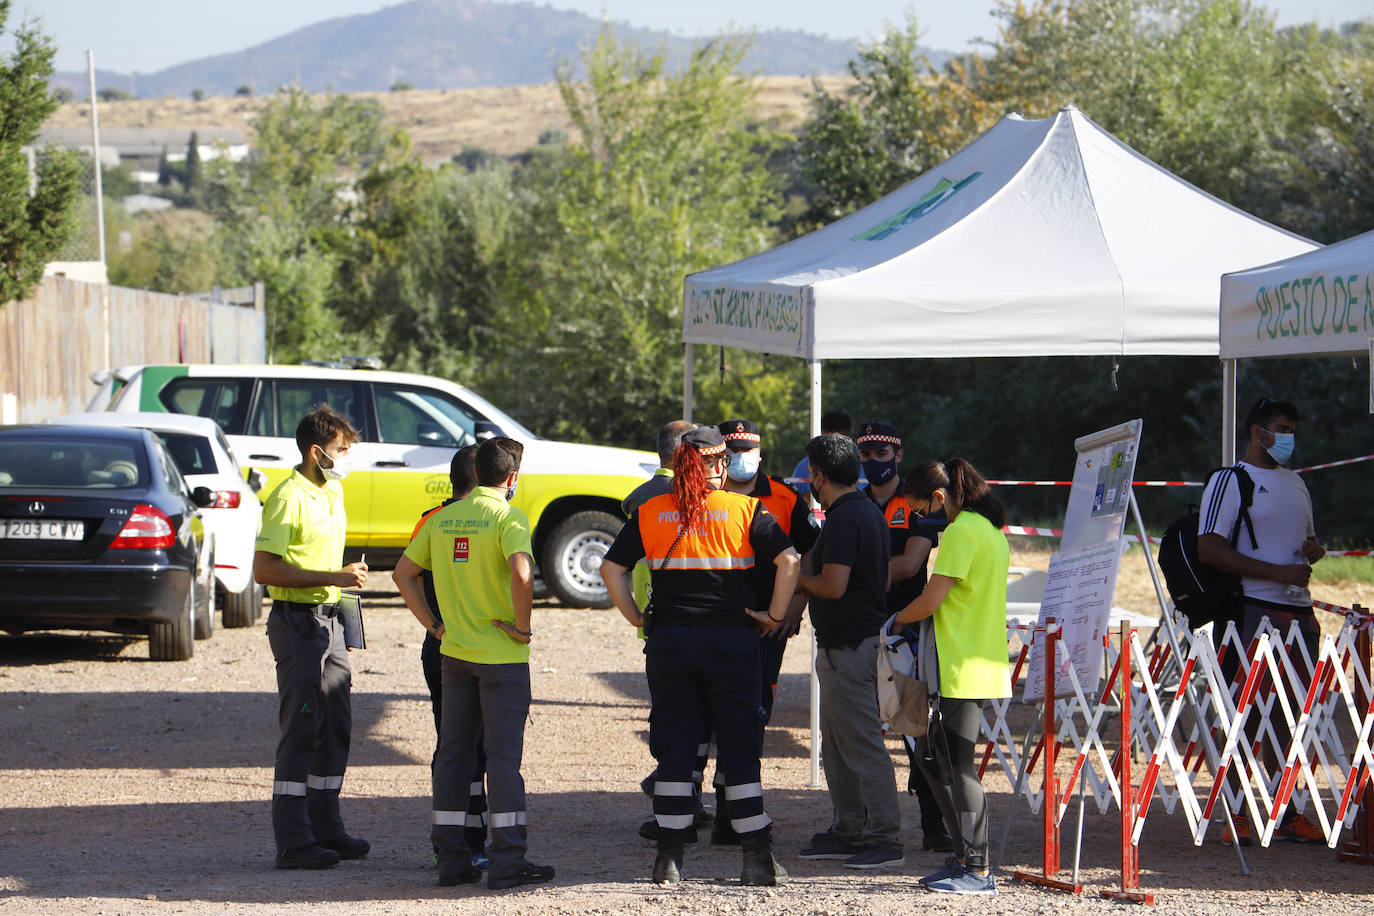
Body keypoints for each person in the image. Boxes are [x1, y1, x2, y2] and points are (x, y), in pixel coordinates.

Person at [600, 426, 800, 886]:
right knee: (739, 745)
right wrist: (772, 613)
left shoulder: (651, 511)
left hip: (670, 644)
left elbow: (612, 567)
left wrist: (635, 618)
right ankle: (756, 858)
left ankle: (668, 858)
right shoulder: (746, 509)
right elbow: (789, 561)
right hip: (732, 643)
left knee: (676, 746)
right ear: (719, 464)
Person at [393, 437, 556, 890]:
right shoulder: (508, 517)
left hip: (455, 655)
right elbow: (522, 572)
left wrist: (433, 624)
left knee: (452, 757)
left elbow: (403, 574)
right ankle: (506, 863)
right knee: (502, 761)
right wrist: (521, 628)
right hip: (501, 659)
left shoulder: (441, 518)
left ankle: (451, 861)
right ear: (511, 477)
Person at [1197, 396, 1326, 846]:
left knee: (1293, 715)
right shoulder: (1230, 480)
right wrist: (1276, 573)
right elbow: (1208, 548)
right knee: (1243, 713)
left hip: (1298, 611)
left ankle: (1283, 808)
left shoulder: (1297, 483)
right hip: (1247, 610)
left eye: (1292, 429)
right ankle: (1235, 810)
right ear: (1257, 431)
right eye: (1281, 428)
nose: (1288, 437)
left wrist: (1315, 551)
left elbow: (1305, 540)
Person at [253, 404, 370, 870]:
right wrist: (333, 575)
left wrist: (342, 580)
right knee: (301, 725)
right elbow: (265, 569)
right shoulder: (288, 496)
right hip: (298, 623)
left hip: (333, 620)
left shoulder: (333, 489)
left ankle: (326, 826)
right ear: (316, 451)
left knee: (334, 725)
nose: (347, 459)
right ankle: (293, 840)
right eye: (342, 450)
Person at [893, 458, 1011, 896]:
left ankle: (977, 869)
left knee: (959, 766)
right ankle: (965, 856)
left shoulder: (962, 532)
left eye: (920, 509)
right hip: (975, 660)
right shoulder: (989, 532)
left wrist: (894, 621)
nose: (920, 518)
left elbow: (930, 600)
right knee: (930, 756)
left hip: (961, 665)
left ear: (939, 497)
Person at [795, 433, 904, 870]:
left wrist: (792, 576)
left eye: (810, 476)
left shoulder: (843, 519)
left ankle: (884, 838)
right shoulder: (868, 512)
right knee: (838, 747)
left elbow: (832, 585)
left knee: (861, 746)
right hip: (852, 643)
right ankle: (848, 829)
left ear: (818, 477)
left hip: (849, 647)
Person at [855, 421, 952, 852]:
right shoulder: (853, 503)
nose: (873, 462)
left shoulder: (915, 505)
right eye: (866, 454)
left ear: (897, 454)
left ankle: (935, 826)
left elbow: (912, 565)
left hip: (907, 629)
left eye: (881, 454)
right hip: (860, 628)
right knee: (859, 728)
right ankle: (861, 826)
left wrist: (851, 576)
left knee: (918, 731)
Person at [410, 444, 489, 869]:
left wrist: (432, 626)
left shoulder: (431, 519)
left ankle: (452, 841)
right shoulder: (491, 520)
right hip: (480, 649)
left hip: (440, 644)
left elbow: (406, 575)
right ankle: (471, 843)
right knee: (478, 749)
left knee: (452, 745)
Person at [791, 411, 852, 502]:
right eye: (827, 442)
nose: (832, 449)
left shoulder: (861, 464)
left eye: (839, 443)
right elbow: (792, 497)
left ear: (850, 438)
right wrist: (810, 498)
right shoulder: (805, 465)